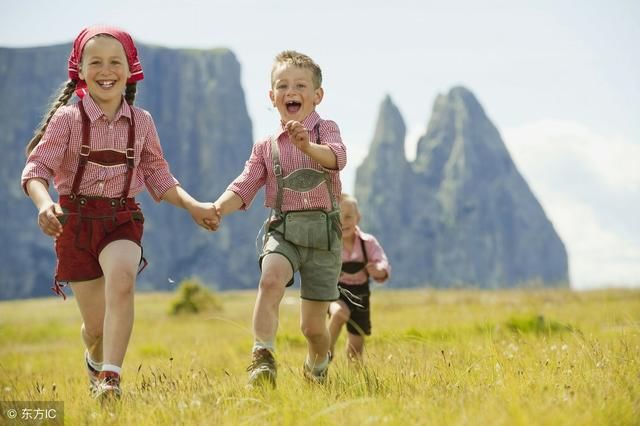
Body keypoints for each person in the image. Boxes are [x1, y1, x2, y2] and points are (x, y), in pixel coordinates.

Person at [21, 26, 219, 400]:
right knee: (95, 329)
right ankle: (95, 360)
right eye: (95, 62)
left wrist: (193, 205)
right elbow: (36, 169)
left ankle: (110, 379)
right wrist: (45, 203)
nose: (106, 70)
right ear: (80, 70)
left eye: (116, 62)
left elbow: (158, 175)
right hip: (75, 224)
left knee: (123, 280)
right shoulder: (67, 119)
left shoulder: (141, 122)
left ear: (131, 70)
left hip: (121, 219)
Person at [212, 50, 346, 387]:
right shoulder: (265, 146)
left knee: (312, 329)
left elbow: (338, 158)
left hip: (324, 237)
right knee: (270, 280)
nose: (291, 91)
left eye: (300, 85)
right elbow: (245, 185)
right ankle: (263, 357)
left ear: (317, 95)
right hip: (283, 230)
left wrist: (307, 147)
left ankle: (317, 365)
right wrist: (218, 208)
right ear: (272, 97)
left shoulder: (325, 130)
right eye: (282, 86)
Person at [328, 194, 390, 362]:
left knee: (355, 349)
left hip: (361, 295)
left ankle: (355, 374)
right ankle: (326, 350)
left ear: (358, 217)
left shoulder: (368, 242)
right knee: (340, 313)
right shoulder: (331, 244)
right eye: (338, 217)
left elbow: (382, 262)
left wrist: (378, 270)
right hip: (337, 292)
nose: (343, 222)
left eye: (348, 217)